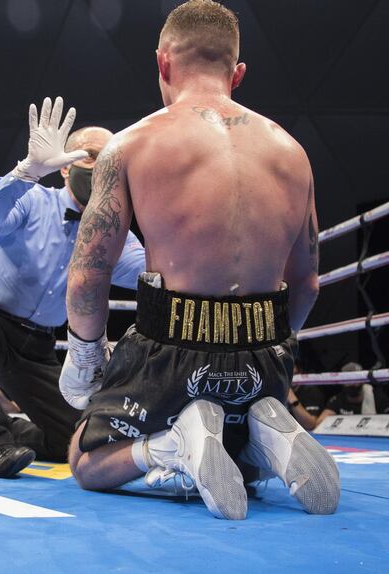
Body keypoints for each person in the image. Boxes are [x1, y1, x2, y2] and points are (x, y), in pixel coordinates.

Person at [61, 0, 339, 519]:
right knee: (234, 462)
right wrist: (275, 346)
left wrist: (84, 358)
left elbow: (86, 278)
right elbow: (308, 285)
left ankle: (171, 445)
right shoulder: (293, 151)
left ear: (163, 64)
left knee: (84, 458)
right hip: (263, 356)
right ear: (237, 73)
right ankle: (256, 438)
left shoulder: (131, 145)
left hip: (172, 349)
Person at [0, 97, 146, 478]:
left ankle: (12, 431)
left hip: (38, 348)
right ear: (65, 167)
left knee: (77, 438)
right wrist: (27, 172)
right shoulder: (32, 200)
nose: (100, 165)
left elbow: (154, 274)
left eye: (109, 159)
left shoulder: (115, 235)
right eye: (90, 156)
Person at [317, 362, 389, 423]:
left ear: (362, 380)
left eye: (355, 379)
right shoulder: (337, 399)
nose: (351, 383)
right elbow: (320, 422)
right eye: (347, 379)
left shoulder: (378, 397)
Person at [286, 362, 326, 431]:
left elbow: (310, 425)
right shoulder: (278, 389)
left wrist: (292, 399)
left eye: (294, 374)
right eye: (287, 374)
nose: (291, 378)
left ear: (300, 372)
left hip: (306, 434)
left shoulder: (310, 391)